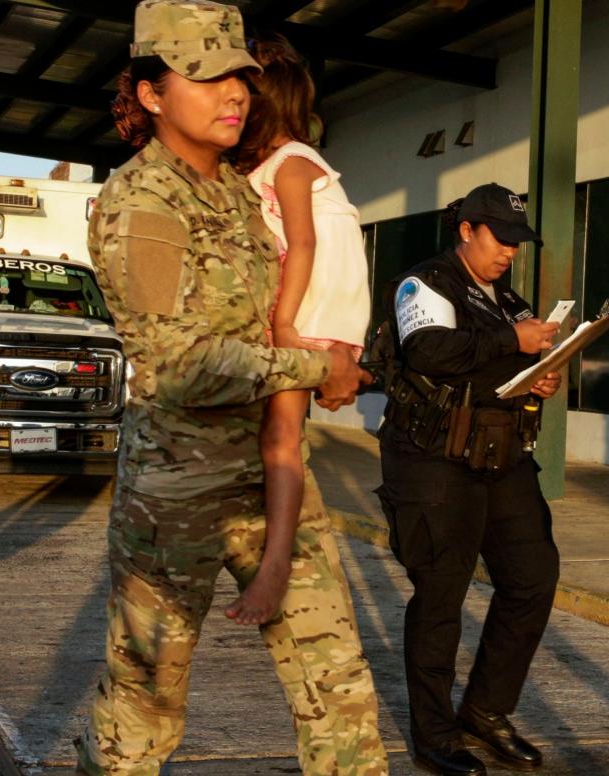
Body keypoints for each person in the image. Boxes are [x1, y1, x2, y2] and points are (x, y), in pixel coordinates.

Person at [75, 2, 387, 774]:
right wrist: (318, 369)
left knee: (337, 683)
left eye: (241, 75)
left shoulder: (241, 193)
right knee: (145, 708)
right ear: (151, 94)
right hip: (174, 496)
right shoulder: (143, 201)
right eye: (205, 75)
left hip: (268, 473)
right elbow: (178, 361)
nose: (234, 92)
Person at [374, 183, 563, 775]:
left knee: (533, 577)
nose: (508, 251)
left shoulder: (510, 300)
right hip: (433, 460)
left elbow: (509, 364)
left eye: (516, 242)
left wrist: (539, 376)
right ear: (466, 231)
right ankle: (434, 734)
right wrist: (515, 343)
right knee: (440, 598)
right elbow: (429, 350)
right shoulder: (424, 284)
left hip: (500, 455)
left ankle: (484, 709)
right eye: (499, 239)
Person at [226, 36, 372, 626]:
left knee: (280, 442)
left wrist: (284, 322)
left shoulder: (289, 163)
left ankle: (277, 565)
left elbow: (304, 243)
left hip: (311, 313)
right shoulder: (289, 162)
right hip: (325, 313)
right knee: (280, 439)